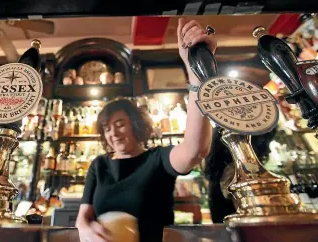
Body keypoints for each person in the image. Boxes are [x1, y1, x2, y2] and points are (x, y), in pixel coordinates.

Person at [76, 18, 216, 242]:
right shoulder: (99, 165)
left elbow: (195, 150)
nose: (113, 133)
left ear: (135, 124)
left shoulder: (157, 159)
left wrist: (196, 71)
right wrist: (84, 229)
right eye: (107, 128)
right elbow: (84, 216)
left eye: (120, 124)